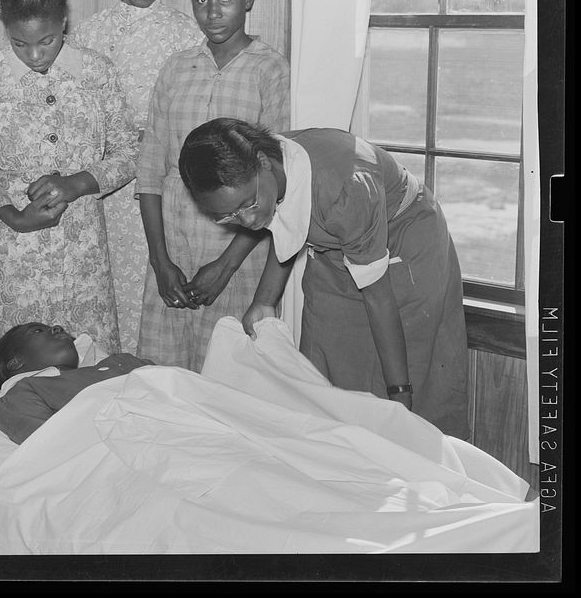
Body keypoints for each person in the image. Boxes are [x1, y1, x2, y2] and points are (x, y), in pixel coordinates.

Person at [177, 118, 470, 439]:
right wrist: (264, 301)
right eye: (229, 216)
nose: (246, 221)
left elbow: (378, 297)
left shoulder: (343, 185)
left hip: (404, 242)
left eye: (247, 204)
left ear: (263, 164)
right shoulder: (265, 165)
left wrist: (399, 393)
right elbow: (284, 221)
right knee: (323, 369)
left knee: (405, 377)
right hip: (338, 242)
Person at [0, 0, 139, 353]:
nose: (35, 55)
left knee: (87, 359)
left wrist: (78, 183)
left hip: (82, 246)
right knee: (14, 361)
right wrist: (12, 216)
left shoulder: (96, 70)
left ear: (64, 23)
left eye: (47, 41)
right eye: (20, 44)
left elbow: (130, 150)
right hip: (15, 245)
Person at [135, 0, 290, 372]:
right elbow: (150, 170)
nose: (213, 11)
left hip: (237, 246)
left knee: (228, 376)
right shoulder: (176, 68)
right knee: (165, 378)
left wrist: (225, 266)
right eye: (201, 0)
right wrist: (160, 261)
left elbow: (278, 183)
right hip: (174, 245)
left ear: (249, 0)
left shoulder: (270, 70)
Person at [70, 0, 202, 355]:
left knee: (153, 285)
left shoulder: (186, 34)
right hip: (104, 185)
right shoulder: (88, 33)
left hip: (161, 185)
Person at [0, 323, 153, 444]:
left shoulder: (121, 361)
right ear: (16, 363)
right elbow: (56, 447)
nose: (57, 327)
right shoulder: (24, 392)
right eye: (38, 331)